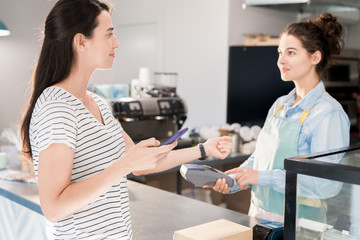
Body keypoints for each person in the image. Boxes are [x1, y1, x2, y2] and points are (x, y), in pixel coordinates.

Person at [20, 0, 233, 239]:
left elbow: (141, 163)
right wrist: (124, 165)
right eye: (109, 35)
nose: (116, 43)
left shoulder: (97, 102)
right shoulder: (57, 107)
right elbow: (54, 207)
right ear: (81, 42)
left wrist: (204, 149)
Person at [205, 12, 350, 223]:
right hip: (259, 218)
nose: (281, 60)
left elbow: (327, 184)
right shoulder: (280, 105)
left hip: (299, 225)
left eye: (291, 52)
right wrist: (234, 179)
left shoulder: (328, 114)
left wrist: (262, 177)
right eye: (280, 52)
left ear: (315, 57)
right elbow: (261, 158)